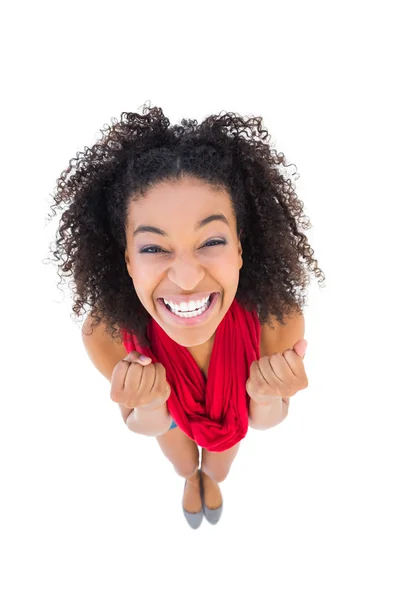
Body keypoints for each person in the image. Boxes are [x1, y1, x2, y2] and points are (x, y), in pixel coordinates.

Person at [46, 104, 325, 529]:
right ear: (126, 259)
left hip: (232, 417)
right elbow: (141, 423)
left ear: (240, 245)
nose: (188, 277)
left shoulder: (278, 317)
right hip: (170, 417)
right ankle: (187, 478)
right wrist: (152, 402)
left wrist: (270, 395)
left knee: (220, 469)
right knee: (181, 464)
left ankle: (208, 478)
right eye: (153, 248)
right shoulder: (104, 332)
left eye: (211, 240)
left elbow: (262, 420)